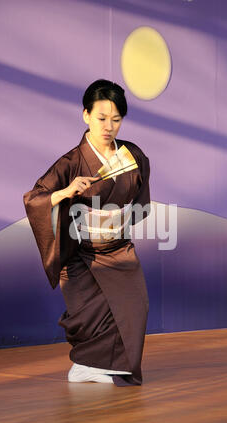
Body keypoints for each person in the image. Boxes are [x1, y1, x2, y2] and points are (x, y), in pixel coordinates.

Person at [23, 79, 151, 387]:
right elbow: (35, 198)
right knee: (91, 313)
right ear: (85, 116)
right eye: (101, 118)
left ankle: (100, 365)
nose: (109, 126)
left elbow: (141, 201)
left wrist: (117, 218)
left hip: (118, 246)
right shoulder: (71, 162)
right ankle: (84, 365)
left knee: (136, 306)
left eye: (116, 119)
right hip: (81, 252)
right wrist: (66, 191)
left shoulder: (132, 156)